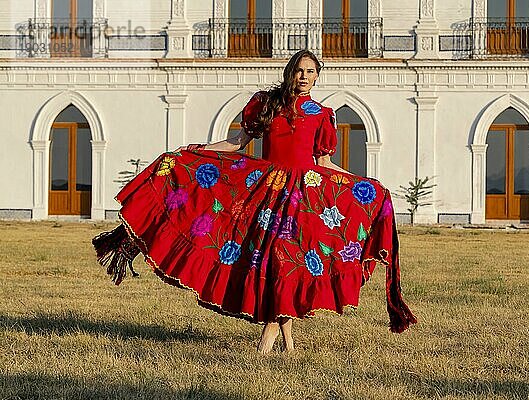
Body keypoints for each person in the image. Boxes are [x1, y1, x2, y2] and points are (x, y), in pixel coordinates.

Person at [93, 50, 416, 354]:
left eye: (310, 72)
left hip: (302, 196)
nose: (304, 76)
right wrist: (196, 151)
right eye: (299, 70)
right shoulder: (265, 103)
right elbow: (238, 143)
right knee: (272, 260)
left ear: (317, 77)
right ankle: (282, 342)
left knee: (285, 259)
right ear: (290, 72)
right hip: (265, 191)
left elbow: (325, 163)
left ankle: (275, 342)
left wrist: (363, 183)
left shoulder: (322, 115)